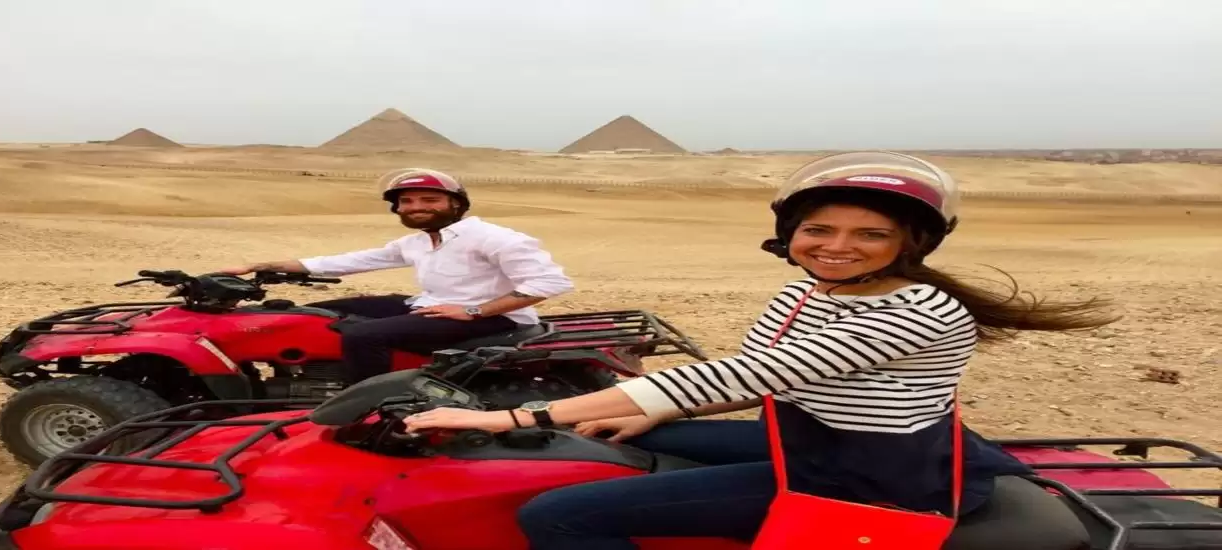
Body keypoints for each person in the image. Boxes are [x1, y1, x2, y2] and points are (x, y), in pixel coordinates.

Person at [403, 151, 1121, 548]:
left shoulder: (919, 311)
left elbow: (748, 372)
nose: (837, 247)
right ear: (791, 234)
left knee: (559, 515)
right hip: (808, 434)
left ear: (911, 244)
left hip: (870, 475)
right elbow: (759, 380)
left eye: (870, 234)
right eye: (819, 230)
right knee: (633, 434)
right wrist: (652, 412)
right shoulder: (808, 291)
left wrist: (508, 418)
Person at [214, 167, 575, 384]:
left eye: (429, 200)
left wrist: (473, 311)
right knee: (322, 313)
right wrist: (260, 266)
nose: (416, 207)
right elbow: (352, 261)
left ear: (457, 204)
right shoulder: (418, 241)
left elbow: (550, 282)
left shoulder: (493, 238)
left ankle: (372, 404)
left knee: (363, 336)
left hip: (493, 318)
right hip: (432, 305)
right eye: (408, 201)